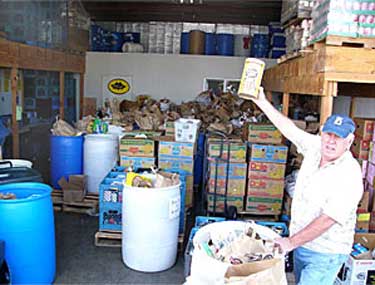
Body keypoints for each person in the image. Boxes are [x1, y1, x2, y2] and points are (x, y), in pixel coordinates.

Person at [249, 88, 364, 285]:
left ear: (349, 141)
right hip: (301, 243)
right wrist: (261, 101)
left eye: (338, 137)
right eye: (328, 134)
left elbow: (328, 219)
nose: (331, 141)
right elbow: (289, 129)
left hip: (326, 252)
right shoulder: (316, 147)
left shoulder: (349, 175)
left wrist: (290, 243)